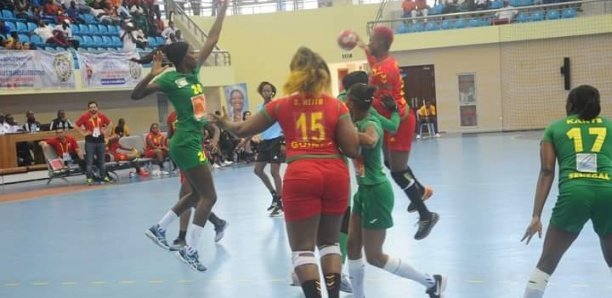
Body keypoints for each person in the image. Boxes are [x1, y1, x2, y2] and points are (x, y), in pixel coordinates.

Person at [211, 46, 360, 298]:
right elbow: (352, 148)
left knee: (303, 250)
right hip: (335, 175)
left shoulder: (281, 105)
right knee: (330, 243)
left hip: (301, 174)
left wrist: (224, 122)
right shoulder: (337, 106)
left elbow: (242, 129)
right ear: (321, 72)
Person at [130, 0, 228, 272]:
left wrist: (223, 7)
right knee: (210, 196)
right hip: (184, 141)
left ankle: (159, 228)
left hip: (190, 139)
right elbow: (136, 95)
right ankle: (191, 250)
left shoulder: (193, 71)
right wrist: (151, 74)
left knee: (197, 195)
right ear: (184, 56)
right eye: (193, 52)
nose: (197, 54)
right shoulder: (169, 79)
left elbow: (213, 37)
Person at [345, 83, 446, 298]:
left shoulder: (370, 121)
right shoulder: (356, 120)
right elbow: (393, 125)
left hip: (376, 192)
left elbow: (371, 139)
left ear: (351, 102)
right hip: (363, 190)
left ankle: (431, 282)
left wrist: (349, 133)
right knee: (353, 246)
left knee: (374, 256)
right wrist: (392, 113)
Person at [521, 85, 612, 298]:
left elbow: (546, 171)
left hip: (574, 195)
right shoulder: (609, 126)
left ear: (570, 104)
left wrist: (536, 215)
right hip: (608, 192)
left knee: (547, 263)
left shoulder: (555, 128)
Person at [357, 26, 438, 240]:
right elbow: (373, 65)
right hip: (393, 120)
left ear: (382, 44)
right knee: (391, 163)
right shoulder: (381, 64)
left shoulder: (387, 70)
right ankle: (420, 190)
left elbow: (382, 101)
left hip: (399, 121)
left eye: (372, 40)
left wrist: (359, 98)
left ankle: (426, 215)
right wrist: (361, 44)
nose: (370, 43)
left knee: (397, 171)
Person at [166, 111, 229, 251]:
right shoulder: (171, 117)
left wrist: (214, 141)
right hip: (183, 158)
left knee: (185, 196)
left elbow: (216, 129)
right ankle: (218, 223)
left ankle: (182, 238)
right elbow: (169, 136)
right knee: (193, 199)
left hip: (196, 158)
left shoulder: (195, 113)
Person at [253, 81, 284, 217]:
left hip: (277, 140)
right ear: (261, 92)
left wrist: (285, 137)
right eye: (264, 90)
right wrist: (244, 141)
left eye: (269, 90)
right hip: (265, 142)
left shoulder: (276, 106)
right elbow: (255, 126)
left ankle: (281, 204)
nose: (267, 92)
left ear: (272, 92)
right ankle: (274, 196)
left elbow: (285, 121)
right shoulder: (260, 108)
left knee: (274, 172)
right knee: (258, 170)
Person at [75, 101, 113, 185]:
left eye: (94, 107)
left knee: (102, 161)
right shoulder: (84, 116)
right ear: (88, 109)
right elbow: (75, 125)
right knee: (89, 161)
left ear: (97, 108)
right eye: (91, 107)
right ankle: (89, 178)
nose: (93, 109)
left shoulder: (102, 116)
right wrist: (83, 133)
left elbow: (110, 123)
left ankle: (104, 177)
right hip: (90, 142)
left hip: (100, 141)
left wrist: (105, 131)